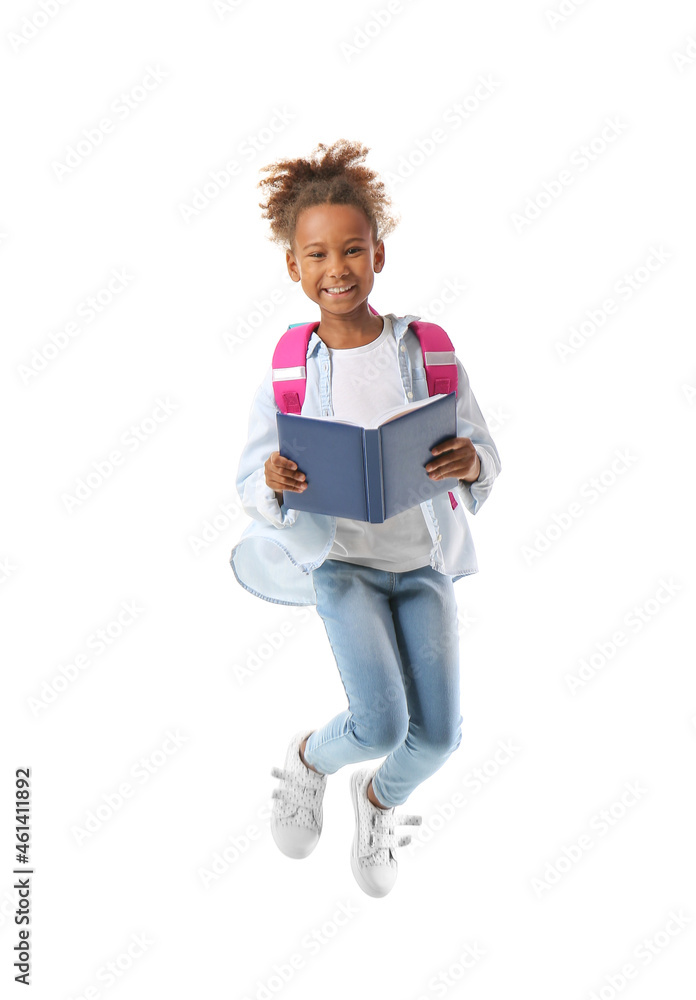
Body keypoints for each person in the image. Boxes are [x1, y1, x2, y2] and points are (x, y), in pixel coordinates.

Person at [230, 139, 501, 898]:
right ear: (294, 266)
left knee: (439, 735)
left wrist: (469, 463)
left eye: (353, 249)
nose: (337, 267)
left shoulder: (427, 351)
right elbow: (251, 479)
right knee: (378, 725)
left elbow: (482, 446)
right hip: (342, 566)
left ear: (378, 254)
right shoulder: (287, 370)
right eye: (317, 254)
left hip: (422, 562)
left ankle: (378, 801)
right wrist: (274, 480)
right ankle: (312, 760)